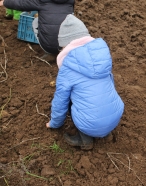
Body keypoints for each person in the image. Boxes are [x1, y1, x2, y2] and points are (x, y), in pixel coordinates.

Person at [46, 14, 124, 150]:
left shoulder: (68, 68)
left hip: (91, 122)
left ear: (66, 45)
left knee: (71, 99)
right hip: (115, 116)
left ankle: (85, 139)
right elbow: (110, 84)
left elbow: (60, 101)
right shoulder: (102, 58)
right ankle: (105, 132)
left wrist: (55, 123)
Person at [0, 0, 75, 59]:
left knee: (36, 21)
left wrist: (5, 2)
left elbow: (21, 3)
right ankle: (63, 52)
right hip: (68, 44)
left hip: (50, 45)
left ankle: (49, 51)